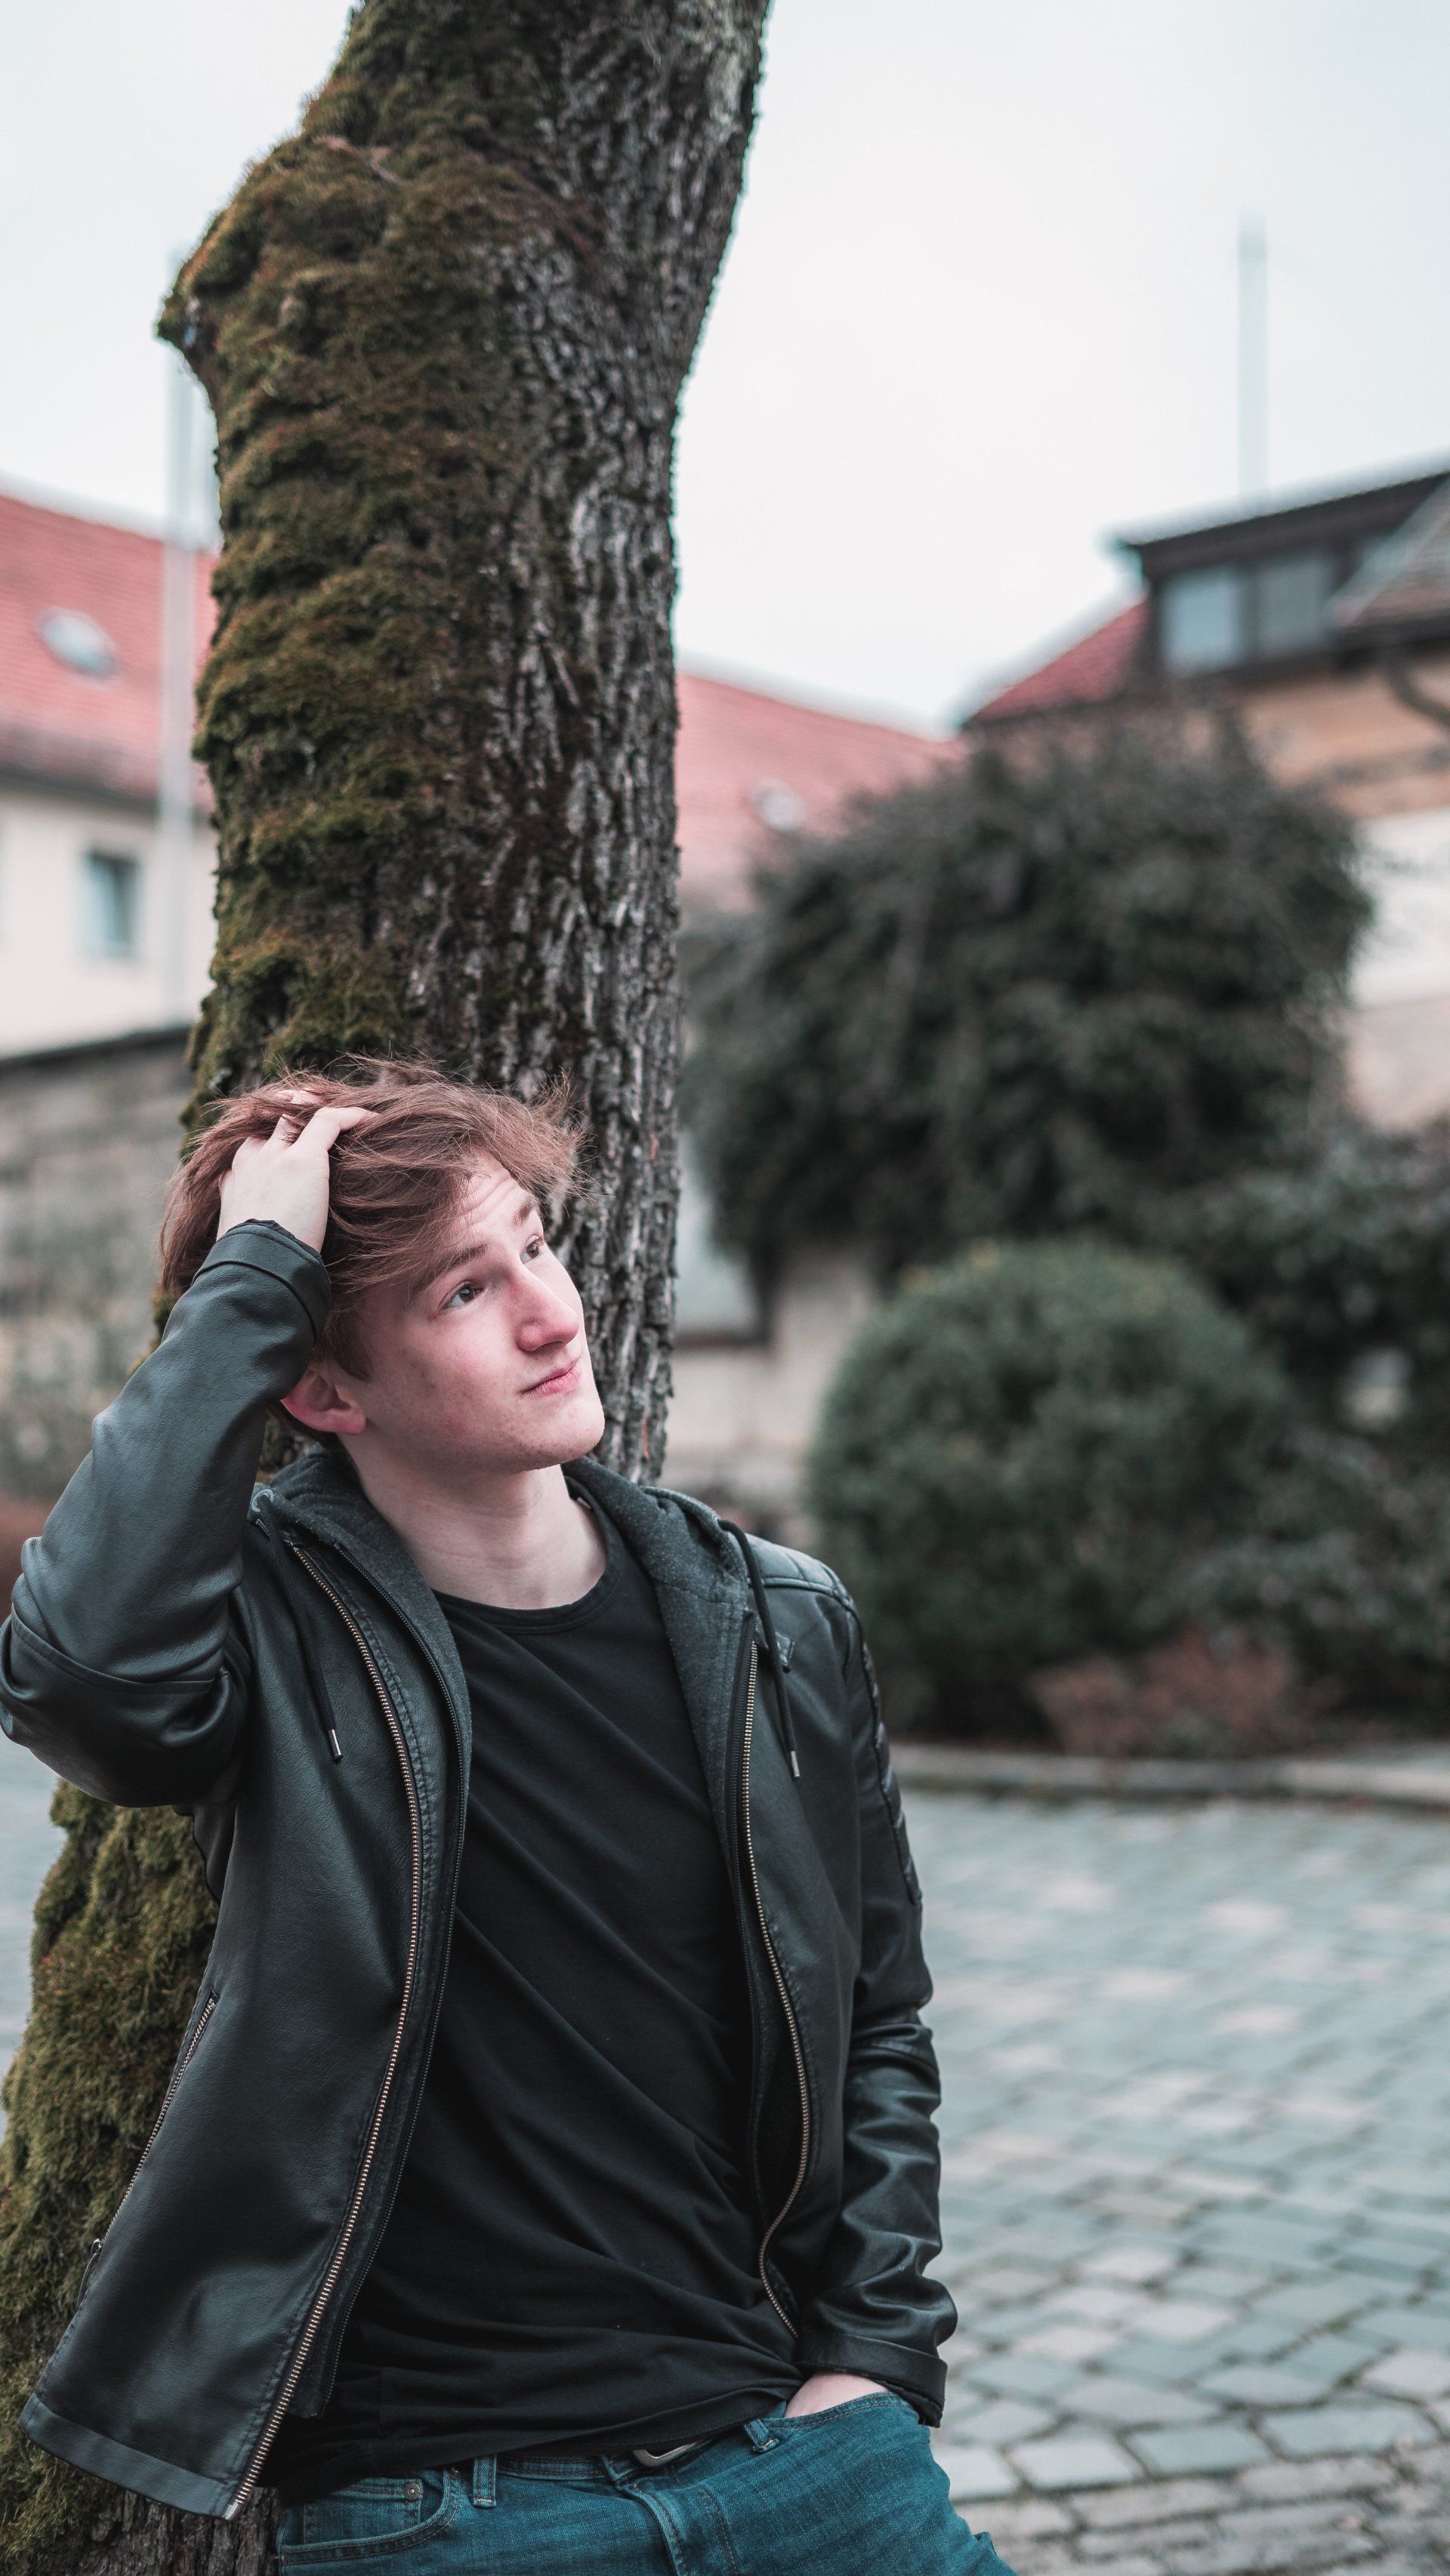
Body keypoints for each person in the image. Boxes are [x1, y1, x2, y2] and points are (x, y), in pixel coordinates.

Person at [1, 1058, 1011, 2575]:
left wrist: (871, 2370)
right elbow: (81, 1673)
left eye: (537, 1244)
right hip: (445, 2505)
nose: (553, 1310)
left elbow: (874, 2021)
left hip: (796, 2454)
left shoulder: (778, 1621)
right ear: (324, 1386)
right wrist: (255, 1277)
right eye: (465, 1291)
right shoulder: (271, 1637)